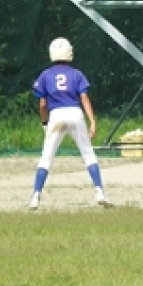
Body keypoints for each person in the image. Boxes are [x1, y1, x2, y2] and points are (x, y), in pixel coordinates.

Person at [29, 37, 113, 210]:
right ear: (69, 53)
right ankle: (99, 192)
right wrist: (92, 121)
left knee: (46, 157)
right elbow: (84, 98)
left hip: (56, 115)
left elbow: (43, 104)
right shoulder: (76, 74)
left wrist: (44, 122)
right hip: (75, 113)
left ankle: (35, 196)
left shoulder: (45, 75)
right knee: (88, 154)